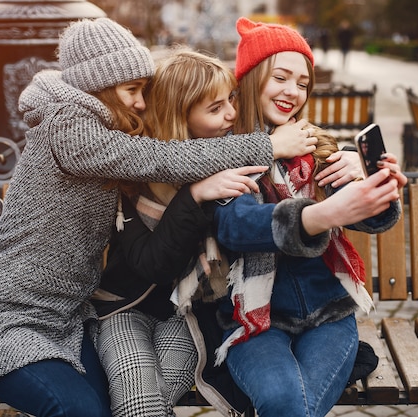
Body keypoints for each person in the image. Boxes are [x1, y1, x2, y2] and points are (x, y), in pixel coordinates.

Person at [0, 17, 321, 417]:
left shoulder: (106, 127)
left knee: (118, 405)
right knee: (83, 411)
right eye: (132, 90)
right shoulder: (68, 129)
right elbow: (165, 158)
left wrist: (346, 161)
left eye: (143, 90)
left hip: (70, 318)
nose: (142, 102)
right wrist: (266, 146)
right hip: (8, 318)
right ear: (100, 86)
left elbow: (180, 128)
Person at [199, 17, 407, 417]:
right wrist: (319, 215)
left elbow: (373, 219)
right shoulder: (222, 152)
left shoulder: (319, 148)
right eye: (280, 78)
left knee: (290, 406)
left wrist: (379, 190)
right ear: (250, 78)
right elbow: (235, 227)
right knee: (283, 402)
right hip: (253, 322)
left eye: (302, 83)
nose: (292, 92)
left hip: (329, 316)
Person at [92, 48, 261, 417]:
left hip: (187, 313)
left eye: (230, 99)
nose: (232, 113)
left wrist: (347, 157)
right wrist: (195, 194)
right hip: (123, 307)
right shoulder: (131, 177)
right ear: (177, 118)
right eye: (214, 108)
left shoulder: (235, 154)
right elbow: (151, 265)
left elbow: (298, 142)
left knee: (148, 403)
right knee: (138, 394)